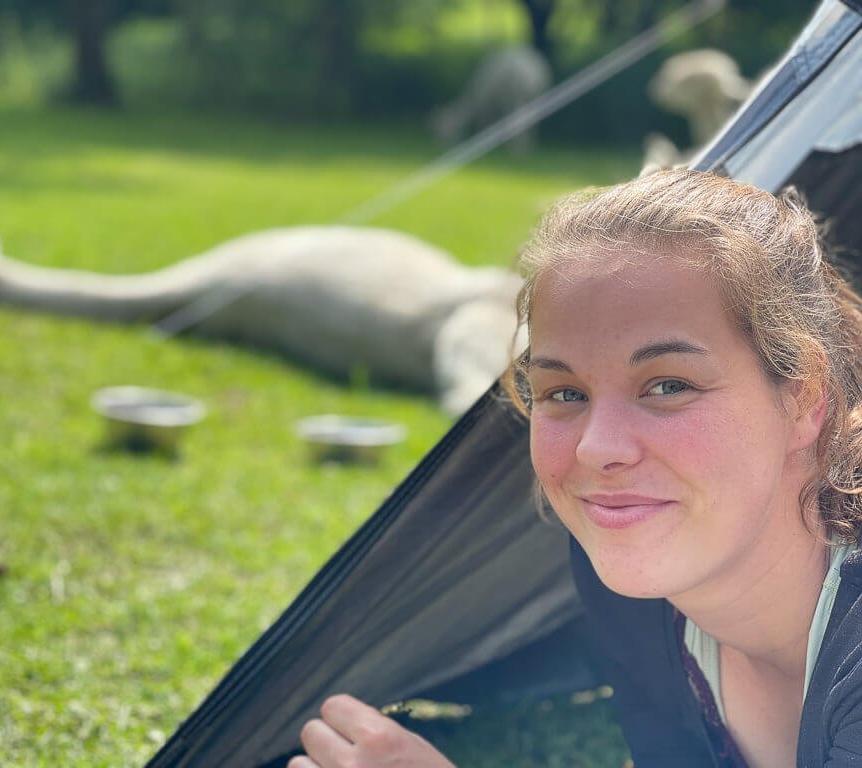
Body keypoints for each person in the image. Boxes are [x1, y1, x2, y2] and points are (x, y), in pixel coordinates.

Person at [288, 169, 862, 768]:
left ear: (804, 400)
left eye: (667, 385)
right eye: (563, 392)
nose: (596, 449)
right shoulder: (636, 587)